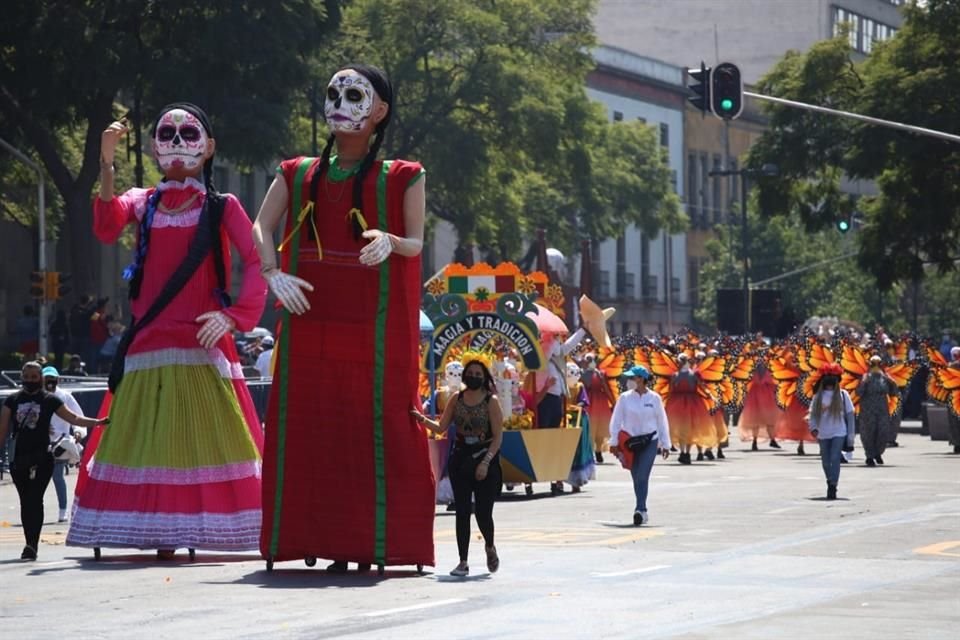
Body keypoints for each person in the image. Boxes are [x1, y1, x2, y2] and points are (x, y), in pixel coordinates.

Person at [253, 64, 434, 573]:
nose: (339, 102)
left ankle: (373, 545)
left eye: (353, 94)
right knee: (307, 429)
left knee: (372, 426)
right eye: (333, 92)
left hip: (375, 329)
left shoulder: (402, 176)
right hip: (309, 318)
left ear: (379, 112)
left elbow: (418, 241)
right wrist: (272, 273)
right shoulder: (297, 171)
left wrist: (391, 241)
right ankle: (305, 538)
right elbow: (261, 225)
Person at [67, 103, 267, 557]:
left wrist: (234, 317)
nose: (177, 142)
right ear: (156, 146)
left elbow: (256, 259)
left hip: (202, 343)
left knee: (199, 440)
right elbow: (105, 224)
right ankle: (155, 532)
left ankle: (197, 532)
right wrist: (106, 162)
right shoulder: (145, 201)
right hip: (150, 344)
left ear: (209, 147)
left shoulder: (221, 206)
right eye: (167, 133)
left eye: (188, 132)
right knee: (149, 440)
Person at [0, 362, 108, 560]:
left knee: (35, 498)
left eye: (35, 377)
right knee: (26, 501)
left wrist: (98, 423)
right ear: (22, 377)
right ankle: (28, 540)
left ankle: (32, 545)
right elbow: (3, 428)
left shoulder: (50, 400)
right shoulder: (12, 400)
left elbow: (74, 418)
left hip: (43, 457)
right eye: (28, 377)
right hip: (19, 459)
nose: (31, 381)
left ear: (40, 378)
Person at [412, 354, 504, 576]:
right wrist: (421, 419)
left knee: (483, 513)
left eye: (478, 375)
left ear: (484, 378)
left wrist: (486, 463)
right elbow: (441, 427)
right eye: (470, 374)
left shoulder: (491, 401)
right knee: (462, 511)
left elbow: (499, 437)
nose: (473, 377)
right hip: (461, 459)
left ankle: (489, 546)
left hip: (485, 459)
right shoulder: (456, 398)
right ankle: (463, 561)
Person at [608, 365, 670, 526]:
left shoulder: (654, 398)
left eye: (632, 378)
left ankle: (640, 509)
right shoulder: (624, 397)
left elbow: (662, 421)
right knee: (636, 476)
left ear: (641, 379)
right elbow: (616, 420)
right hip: (630, 442)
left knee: (643, 475)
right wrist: (613, 441)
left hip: (650, 441)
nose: (629, 381)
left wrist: (665, 443)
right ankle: (642, 510)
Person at [42, 366, 85, 522]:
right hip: (39, 443)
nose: (49, 382)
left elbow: (78, 416)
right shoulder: (37, 396)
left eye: (52, 379)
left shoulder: (65, 397)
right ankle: (33, 509)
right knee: (36, 479)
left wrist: (79, 432)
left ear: (58, 380)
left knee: (57, 477)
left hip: (59, 444)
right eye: (46, 379)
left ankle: (62, 510)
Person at [808, 364, 855, 500]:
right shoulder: (818, 396)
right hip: (823, 433)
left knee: (835, 458)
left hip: (839, 432)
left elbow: (850, 416)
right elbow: (813, 414)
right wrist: (813, 428)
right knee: (825, 461)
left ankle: (833, 485)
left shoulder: (843, 395)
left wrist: (850, 438)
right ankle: (830, 479)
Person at [857, 355, 898, 467]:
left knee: (883, 432)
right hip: (867, 410)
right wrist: (864, 382)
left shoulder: (884, 378)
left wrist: (892, 381)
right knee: (868, 433)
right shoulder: (865, 377)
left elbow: (894, 392)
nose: (876, 366)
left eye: (878, 363)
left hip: (882, 409)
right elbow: (859, 393)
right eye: (874, 363)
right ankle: (869, 456)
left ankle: (878, 453)